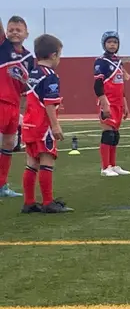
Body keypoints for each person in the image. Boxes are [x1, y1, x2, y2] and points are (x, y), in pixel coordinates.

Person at [21, 34, 73, 213]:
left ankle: (28, 202)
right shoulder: (50, 76)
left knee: (31, 163)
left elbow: (37, 99)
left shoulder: (33, 73)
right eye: (59, 55)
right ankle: (48, 202)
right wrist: (55, 125)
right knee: (46, 161)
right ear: (53, 55)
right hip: (43, 126)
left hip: (29, 125)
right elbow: (49, 103)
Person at [0, 16, 32, 198]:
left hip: (14, 106)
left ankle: (2, 185)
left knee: (9, 145)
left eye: (18, 30)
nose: (14, 32)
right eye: (11, 29)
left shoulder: (29, 58)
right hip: (1, 102)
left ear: (26, 34)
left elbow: (27, 86)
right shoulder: (3, 46)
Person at [95, 31, 130, 177]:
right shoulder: (101, 62)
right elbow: (97, 85)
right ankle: (105, 167)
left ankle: (113, 164)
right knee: (108, 134)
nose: (112, 44)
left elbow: (121, 86)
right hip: (107, 102)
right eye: (109, 42)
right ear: (104, 44)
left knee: (115, 135)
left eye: (115, 42)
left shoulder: (118, 62)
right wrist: (104, 103)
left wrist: (125, 104)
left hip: (118, 103)